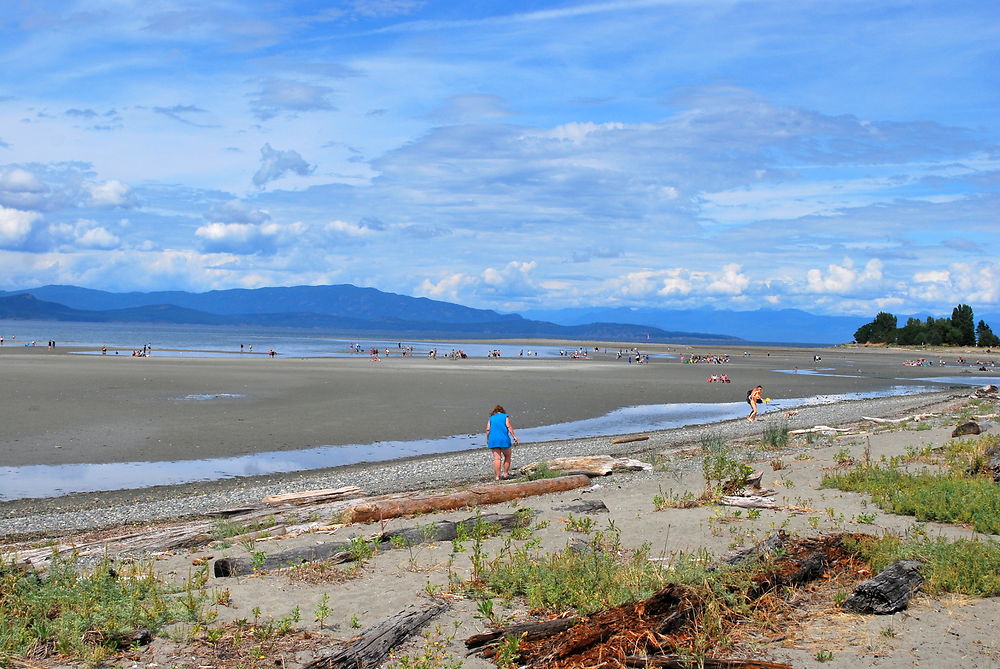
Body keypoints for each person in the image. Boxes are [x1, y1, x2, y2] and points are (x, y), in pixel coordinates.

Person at [486, 404, 519, 481]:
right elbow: (509, 426)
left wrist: (488, 439)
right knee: (507, 456)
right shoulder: (505, 416)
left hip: (493, 440)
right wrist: (514, 436)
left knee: (497, 459)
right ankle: (505, 474)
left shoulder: (491, 418)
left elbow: (488, 429)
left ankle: (497, 476)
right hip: (504, 439)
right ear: (502, 411)